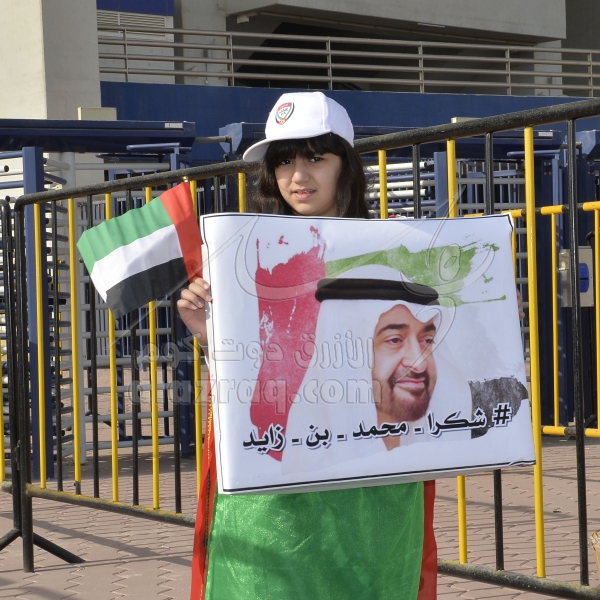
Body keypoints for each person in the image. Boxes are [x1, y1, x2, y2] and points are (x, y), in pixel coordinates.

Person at [178, 91, 437, 600]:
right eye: (284, 161)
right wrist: (209, 335)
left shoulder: (396, 253)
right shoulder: (240, 258)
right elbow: (247, 378)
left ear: (346, 167)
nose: (298, 175)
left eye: (316, 158)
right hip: (275, 481)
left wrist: (479, 322)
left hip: (371, 486)